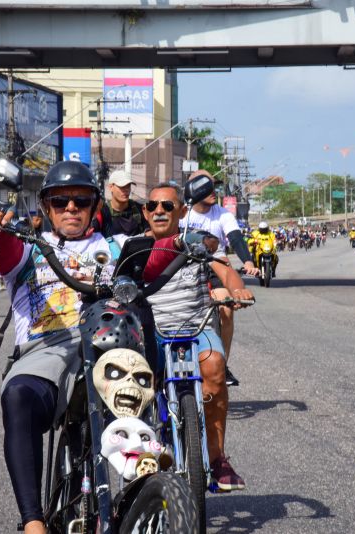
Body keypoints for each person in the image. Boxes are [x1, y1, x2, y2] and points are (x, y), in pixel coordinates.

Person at [0, 160, 111, 534]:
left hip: (105, 346)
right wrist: (1, 233)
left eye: (80, 200)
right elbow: (6, 254)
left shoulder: (117, 248)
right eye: (60, 201)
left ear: (95, 207)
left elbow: (155, 262)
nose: (71, 208)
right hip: (45, 351)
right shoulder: (30, 247)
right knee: (18, 396)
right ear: (45, 207)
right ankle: (33, 522)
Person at [141, 182, 254, 492]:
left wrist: (236, 288)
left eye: (167, 206)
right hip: (153, 331)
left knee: (216, 369)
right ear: (145, 212)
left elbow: (225, 269)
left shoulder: (198, 243)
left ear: (181, 210)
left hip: (197, 327)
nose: (160, 211)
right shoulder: (134, 246)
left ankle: (217, 459)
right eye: (153, 206)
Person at [180, 170, 258, 386]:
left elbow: (235, 238)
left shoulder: (223, 214)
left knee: (226, 309)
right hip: (185, 266)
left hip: (216, 266)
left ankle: (222, 364)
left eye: (214, 186)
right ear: (192, 189)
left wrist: (248, 262)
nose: (213, 191)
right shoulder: (181, 214)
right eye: (206, 186)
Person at [92, 169, 148, 237]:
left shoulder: (140, 210)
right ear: (111, 187)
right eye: (122, 186)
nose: (126, 190)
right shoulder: (102, 213)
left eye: (128, 186)